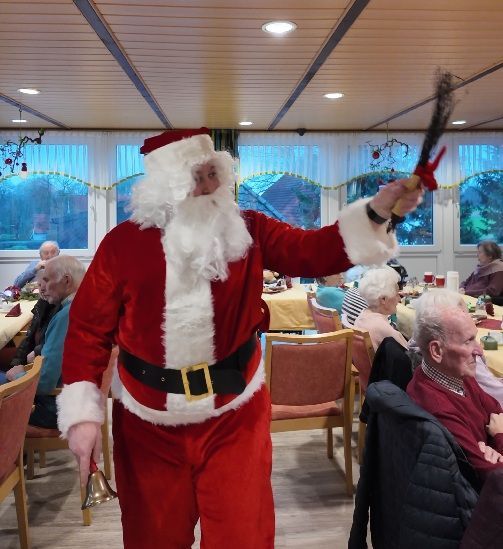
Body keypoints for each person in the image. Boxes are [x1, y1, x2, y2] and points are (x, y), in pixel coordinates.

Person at [56, 128, 424, 548]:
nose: (208, 186)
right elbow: (87, 331)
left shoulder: (249, 230)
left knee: (244, 535)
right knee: (152, 538)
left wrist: (377, 212)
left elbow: (313, 250)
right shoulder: (122, 245)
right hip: (148, 422)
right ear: (165, 188)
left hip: (235, 416)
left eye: (213, 173)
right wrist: (83, 416)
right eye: (196, 177)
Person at [407, 289, 503, 481]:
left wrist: (494, 443)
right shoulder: (438, 408)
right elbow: (494, 477)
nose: (479, 350)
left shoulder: (454, 375)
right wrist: (499, 436)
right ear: (436, 350)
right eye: (468, 341)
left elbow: (495, 410)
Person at [5, 255, 85, 429]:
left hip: (58, 409)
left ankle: (10, 445)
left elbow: (45, 384)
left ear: (66, 281)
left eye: (47, 280)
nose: (42, 286)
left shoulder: (66, 316)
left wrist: (17, 375)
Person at [354, 266, 408, 350]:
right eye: (396, 294)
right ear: (383, 299)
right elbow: (409, 355)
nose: (399, 299)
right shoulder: (386, 331)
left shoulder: (363, 314)